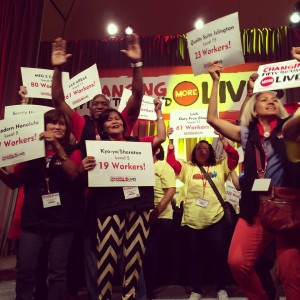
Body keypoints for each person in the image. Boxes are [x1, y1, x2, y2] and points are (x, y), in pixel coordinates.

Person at [51, 34, 144, 300]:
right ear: (90, 109)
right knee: (94, 252)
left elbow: (137, 94)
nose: (101, 107)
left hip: (126, 197)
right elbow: (58, 100)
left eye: (105, 104)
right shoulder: (82, 125)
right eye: (96, 104)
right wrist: (57, 68)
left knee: (131, 252)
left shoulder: (120, 122)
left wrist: (137, 66)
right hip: (94, 198)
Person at [206, 62, 300, 299]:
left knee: (291, 275)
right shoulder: (247, 134)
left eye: (275, 99)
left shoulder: (290, 128)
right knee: (237, 262)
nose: (271, 101)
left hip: (289, 209)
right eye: (264, 98)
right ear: (254, 109)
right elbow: (212, 119)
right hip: (256, 207)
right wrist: (216, 82)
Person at [80, 98, 166, 300]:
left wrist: (159, 113)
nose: (114, 121)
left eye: (117, 118)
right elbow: (87, 176)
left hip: (138, 205)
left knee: (134, 256)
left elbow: (161, 137)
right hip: (109, 206)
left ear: (123, 124)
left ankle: (129, 296)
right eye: (108, 120)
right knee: (107, 257)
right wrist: (86, 165)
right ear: (103, 127)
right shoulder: (96, 148)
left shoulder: (136, 143)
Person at [0, 109, 83, 300]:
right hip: (34, 218)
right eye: (53, 123)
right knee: (25, 269)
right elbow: (14, 182)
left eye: (62, 123)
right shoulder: (31, 151)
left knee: (57, 273)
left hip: (63, 220)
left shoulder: (73, 151)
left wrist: (56, 145)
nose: (57, 127)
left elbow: (73, 174)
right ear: (43, 126)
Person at [166, 129, 239, 300]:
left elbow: (234, 157)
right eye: (198, 148)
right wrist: (170, 141)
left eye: (205, 148)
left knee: (219, 255)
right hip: (192, 219)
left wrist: (223, 139)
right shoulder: (188, 167)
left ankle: (221, 288)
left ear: (211, 151)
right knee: (194, 256)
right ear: (194, 152)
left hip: (216, 218)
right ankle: (196, 290)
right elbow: (172, 163)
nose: (202, 150)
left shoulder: (220, 165)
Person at [140, 144, 176, 299]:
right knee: (143, 255)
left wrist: (157, 211)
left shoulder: (163, 166)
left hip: (159, 218)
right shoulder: (138, 167)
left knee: (150, 255)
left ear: (157, 150)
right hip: (141, 215)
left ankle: (148, 293)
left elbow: (171, 189)